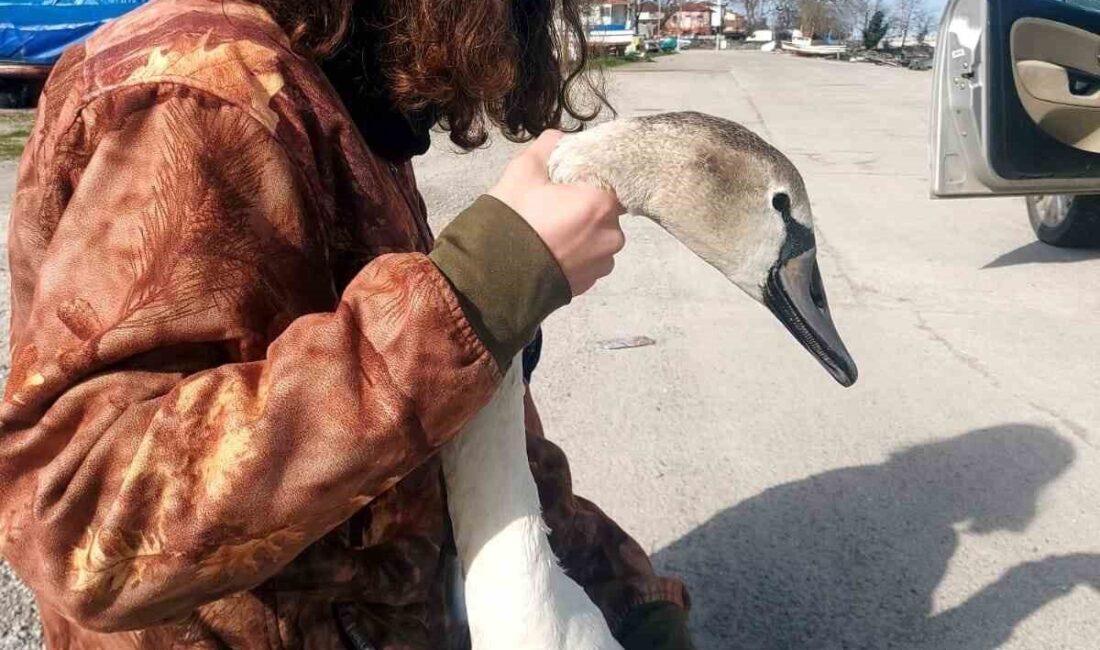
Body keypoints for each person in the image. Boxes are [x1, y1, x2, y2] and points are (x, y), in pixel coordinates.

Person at [0, 0, 694, 648]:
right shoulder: (198, 94)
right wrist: (476, 290)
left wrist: (622, 592)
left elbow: (458, 443)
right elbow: (83, 530)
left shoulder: (344, 93)